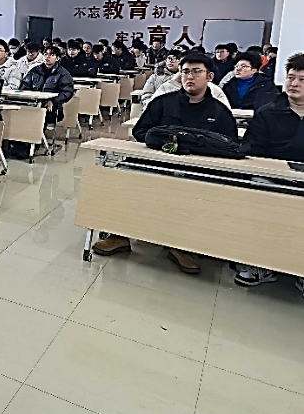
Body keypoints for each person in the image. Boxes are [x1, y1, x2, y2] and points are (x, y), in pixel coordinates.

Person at [93, 53, 238, 274]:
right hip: (156, 161)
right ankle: (119, 234)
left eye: (196, 72)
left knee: (193, 189)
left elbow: (230, 145)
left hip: (195, 169)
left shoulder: (220, 111)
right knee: (122, 173)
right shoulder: (163, 102)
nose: (189, 76)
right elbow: (140, 131)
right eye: (185, 71)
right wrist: (165, 144)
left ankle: (180, 244)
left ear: (209, 76)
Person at [232, 53, 304, 288]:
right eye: (291, 77)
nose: (294, 84)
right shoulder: (268, 111)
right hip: (273, 177)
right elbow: (252, 150)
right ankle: (260, 263)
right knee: (260, 190)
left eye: (302, 80)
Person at [21, 46, 75, 123]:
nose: (47, 57)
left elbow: (67, 92)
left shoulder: (63, 74)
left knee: (45, 112)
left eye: (51, 55)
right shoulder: (35, 70)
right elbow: (25, 85)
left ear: (57, 58)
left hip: (52, 105)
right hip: (32, 102)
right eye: (46, 54)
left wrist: (53, 101)